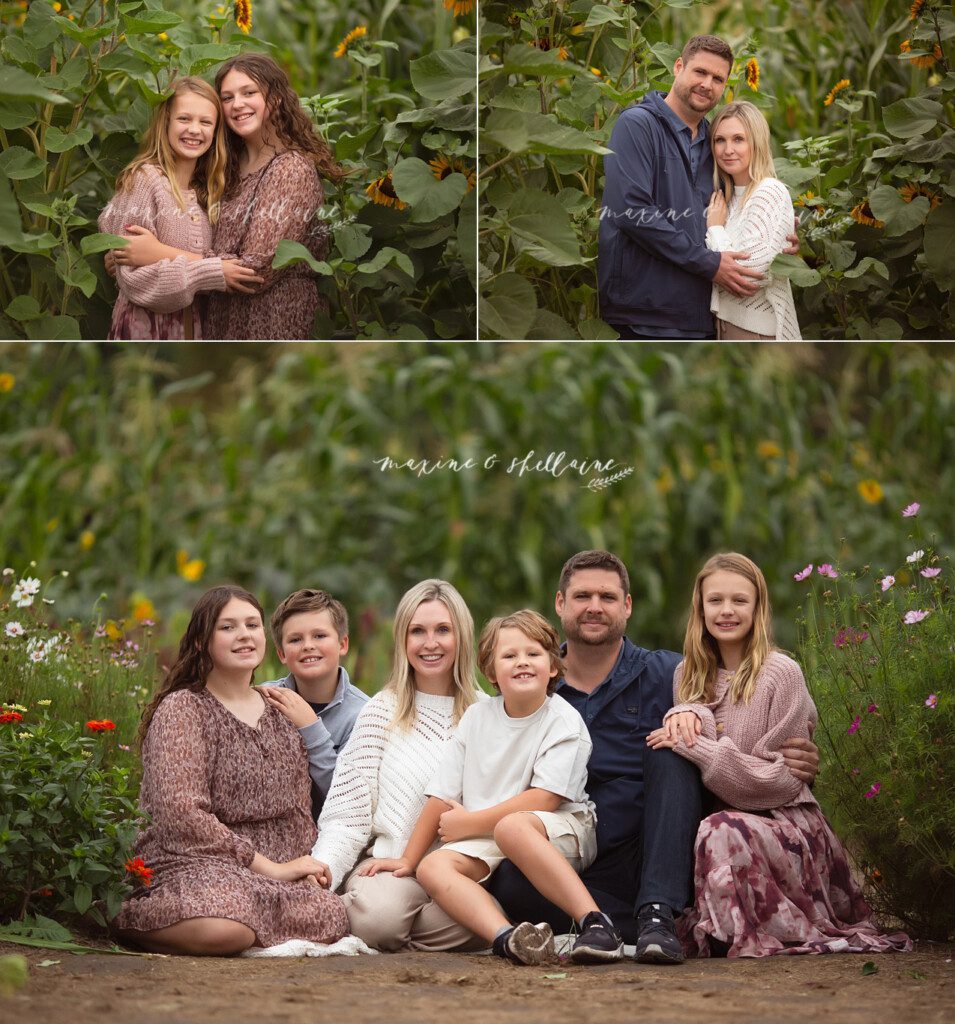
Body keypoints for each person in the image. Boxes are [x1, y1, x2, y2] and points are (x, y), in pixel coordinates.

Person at [487, 550, 820, 964]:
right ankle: (638, 925)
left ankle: (659, 914)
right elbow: (488, 749)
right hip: (571, 853)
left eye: (607, 597)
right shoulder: (530, 682)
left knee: (671, 746)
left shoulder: (669, 673)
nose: (594, 607)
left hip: (657, 847)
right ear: (560, 604)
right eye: (582, 596)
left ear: (627, 606)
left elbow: (735, 723)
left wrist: (795, 758)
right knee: (507, 882)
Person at [647, 553, 910, 957]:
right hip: (723, 822)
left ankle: (749, 931)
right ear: (700, 608)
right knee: (713, 826)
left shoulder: (780, 673)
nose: (727, 611)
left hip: (784, 825)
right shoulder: (688, 674)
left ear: (758, 608)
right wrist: (685, 712)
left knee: (720, 828)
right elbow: (694, 722)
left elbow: (783, 781)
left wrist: (696, 745)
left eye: (740, 600)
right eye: (715, 600)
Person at [363, 610, 623, 966]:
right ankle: (508, 938)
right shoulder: (477, 717)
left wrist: (469, 824)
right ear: (490, 671)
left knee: (513, 827)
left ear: (552, 667)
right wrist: (409, 859)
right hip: (492, 832)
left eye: (533, 654)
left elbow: (546, 798)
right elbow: (442, 794)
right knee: (432, 868)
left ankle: (595, 922)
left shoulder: (562, 720)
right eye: (509, 656)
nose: (522, 663)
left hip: (557, 827)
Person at [115, 585, 348, 955]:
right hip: (195, 860)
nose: (244, 635)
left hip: (278, 868)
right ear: (201, 642)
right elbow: (181, 814)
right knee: (228, 929)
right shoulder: (184, 709)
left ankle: (248, 916)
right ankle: (126, 919)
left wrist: (300, 865)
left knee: (329, 916)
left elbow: (297, 810)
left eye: (252, 624)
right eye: (228, 627)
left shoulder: (282, 709)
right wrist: (269, 868)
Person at [310, 580, 486, 952]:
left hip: (460, 874)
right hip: (389, 870)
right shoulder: (382, 710)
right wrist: (321, 874)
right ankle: (364, 912)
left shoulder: (487, 715)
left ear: (462, 637)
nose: (430, 643)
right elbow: (348, 813)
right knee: (381, 921)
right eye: (417, 631)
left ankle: (397, 924)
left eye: (443, 630)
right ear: (403, 641)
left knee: (488, 920)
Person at [112, 54, 342, 340]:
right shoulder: (225, 169)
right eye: (228, 97)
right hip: (214, 323)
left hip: (270, 321)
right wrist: (124, 255)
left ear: (276, 98)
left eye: (249, 93)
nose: (238, 104)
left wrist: (159, 253)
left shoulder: (290, 169)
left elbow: (255, 270)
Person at [598, 35, 799, 339]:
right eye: (700, 72)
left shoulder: (716, 144)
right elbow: (632, 211)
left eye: (718, 78)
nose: (708, 84)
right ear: (679, 67)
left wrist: (780, 232)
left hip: (703, 316)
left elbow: (737, 207)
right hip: (644, 313)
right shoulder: (638, 126)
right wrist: (710, 263)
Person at [98, 77, 263, 340]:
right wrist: (212, 271)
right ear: (166, 123)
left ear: (216, 131)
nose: (195, 130)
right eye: (184, 119)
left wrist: (159, 254)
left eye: (205, 122)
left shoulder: (205, 194)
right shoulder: (145, 180)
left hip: (194, 331)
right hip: (146, 330)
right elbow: (136, 281)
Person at [258, 588, 369, 820]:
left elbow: (348, 801)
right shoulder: (264, 700)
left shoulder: (364, 715)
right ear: (281, 654)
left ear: (342, 644)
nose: (308, 645)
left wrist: (311, 728)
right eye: (295, 639)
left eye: (319, 636)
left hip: (333, 838)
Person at [705, 102, 801, 340]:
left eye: (738, 139)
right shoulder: (726, 197)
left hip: (755, 330)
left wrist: (715, 229)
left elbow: (748, 276)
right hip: (725, 326)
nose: (728, 150)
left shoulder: (770, 191)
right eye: (720, 140)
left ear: (756, 142)